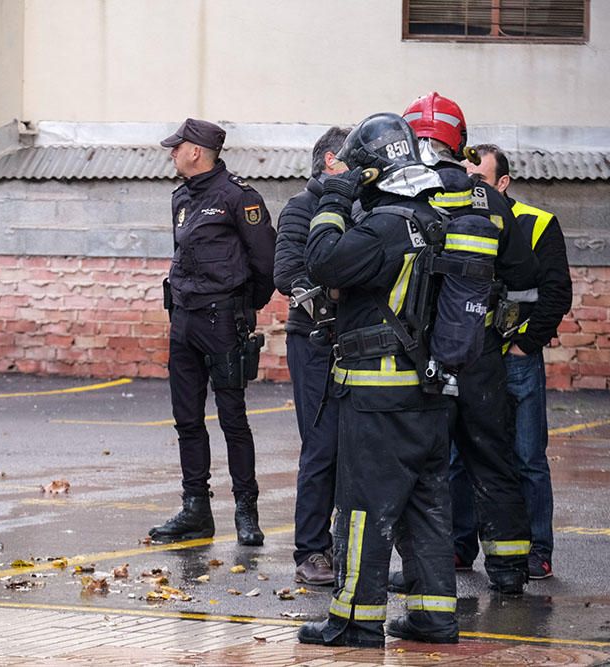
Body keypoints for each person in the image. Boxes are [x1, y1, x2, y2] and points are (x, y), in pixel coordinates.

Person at [297, 113, 462, 648]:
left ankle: (355, 621)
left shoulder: (383, 228)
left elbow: (321, 262)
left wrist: (332, 200)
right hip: (432, 395)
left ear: (369, 172)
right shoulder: (436, 219)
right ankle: (433, 616)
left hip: (378, 396)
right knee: (428, 507)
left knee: (363, 510)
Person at [400, 92, 539, 595]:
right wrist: (503, 333)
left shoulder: (407, 194)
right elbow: (523, 282)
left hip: (419, 352)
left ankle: (428, 575)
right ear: (459, 139)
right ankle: (509, 570)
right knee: (493, 458)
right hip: (482, 351)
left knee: (422, 464)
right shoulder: (495, 201)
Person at [148, 118, 275, 547]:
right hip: (184, 318)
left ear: (196, 151)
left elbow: (265, 264)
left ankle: (246, 509)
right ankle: (195, 509)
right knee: (187, 419)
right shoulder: (181, 197)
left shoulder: (240, 198)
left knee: (233, 418)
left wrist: (242, 307)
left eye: (176, 147)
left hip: (223, 320)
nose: (171, 153)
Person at [465, 143, 573, 579]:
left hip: (514, 356)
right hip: (470, 357)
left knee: (527, 455)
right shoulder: (458, 216)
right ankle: (459, 548)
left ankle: (537, 551)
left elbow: (555, 295)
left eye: (480, 182)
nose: (472, 189)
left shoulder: (537, 223)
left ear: (503, 183)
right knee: (459, 457)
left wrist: (524, 345)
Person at [273, 126, 350, 585]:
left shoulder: (358, 208)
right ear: (330, 161)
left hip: (356, 343)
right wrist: (338, 294)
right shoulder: (302, 208)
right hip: (315, 341)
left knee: (356, 448)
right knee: (321, 446)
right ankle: (311, 551)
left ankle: (344, 545)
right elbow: (287, 274)